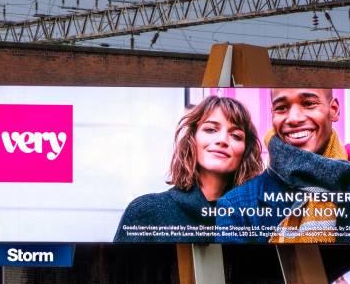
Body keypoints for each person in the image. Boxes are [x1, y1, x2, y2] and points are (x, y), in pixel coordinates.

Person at [214, 88, 350, 244]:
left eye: (309, 103)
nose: (294, 118)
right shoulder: (237, 207)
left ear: (333, 110)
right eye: (281, 108)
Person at [113, 96, 263, 242]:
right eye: (211, 129)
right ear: (192, 139)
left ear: (245, 151)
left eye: (236, 135)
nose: (222, 140)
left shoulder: (257, 219)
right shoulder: (146, 211)